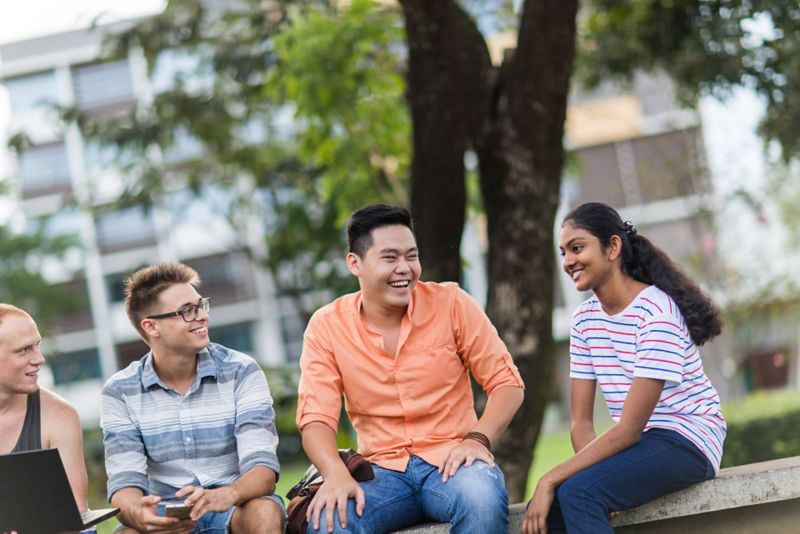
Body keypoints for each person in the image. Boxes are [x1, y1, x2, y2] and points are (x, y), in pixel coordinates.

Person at [297, 204, 525, 534]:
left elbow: (508, 383)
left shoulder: (452, 304)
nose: (404, 268)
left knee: (481, 497)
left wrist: (478, 439)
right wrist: (334, 473)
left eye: (411, 256)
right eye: (389, 258)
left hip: (452, 463)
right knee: (327, 523)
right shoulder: (327, 326)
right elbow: (315, 418)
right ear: (354, 263)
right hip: (380, 474)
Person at [523, 202, 726, 534]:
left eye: (577, 248)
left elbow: (630, 428)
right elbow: (581, 421)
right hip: (642, 443)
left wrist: (551, 477)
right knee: (549, 507)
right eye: (563, 253)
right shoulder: (584, 321)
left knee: (578, 491)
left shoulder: (656, 313)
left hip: (689, 440)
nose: (568, 261)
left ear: (612, 247)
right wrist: (593, 472)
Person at [101, 263, 284, 534]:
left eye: (201, 306)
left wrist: (226, 494)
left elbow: (263, 470)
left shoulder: (241, 370)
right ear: (152, 326)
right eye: (187, 311)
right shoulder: (119, 390)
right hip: (168, 514)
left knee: (264, 511)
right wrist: (142, 516)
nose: (201, 317)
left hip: (234, 506)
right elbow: (124, 483)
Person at [0, 304, 90, 513]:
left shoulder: (59, 416)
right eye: (24, 350)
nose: (39, 359)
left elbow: (75, 511)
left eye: (37, 346)